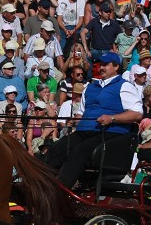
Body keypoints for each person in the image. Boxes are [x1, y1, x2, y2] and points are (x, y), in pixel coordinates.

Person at [44, 52, 142, 188]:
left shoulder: (124, 86)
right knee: (58, 148)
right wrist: (75, 120)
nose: (101, 67)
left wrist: (113, 118)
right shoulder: (90, 87)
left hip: (110, 134)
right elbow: (81, 113)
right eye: (100, 65)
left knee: (79, 151)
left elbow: (137, 114)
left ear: (116, 67)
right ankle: (41, 185)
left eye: (105, 65)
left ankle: (60, 191)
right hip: (85, 132)